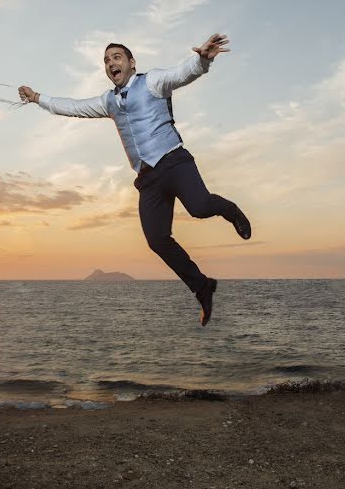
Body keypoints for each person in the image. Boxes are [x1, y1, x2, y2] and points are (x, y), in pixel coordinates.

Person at [18, 33, 251, 326]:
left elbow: (181, 74)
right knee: (157, 239)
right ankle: (202, 286)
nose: (110, 63)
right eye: (106, 60)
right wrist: (38, 98)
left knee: (200, 207)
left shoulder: (152, 81)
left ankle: (231, 211)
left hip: (174, 160)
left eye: (116, 57)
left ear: (131, 63)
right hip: (148, 177)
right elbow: (74, 106)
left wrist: (202, 59)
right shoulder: (108, 101)